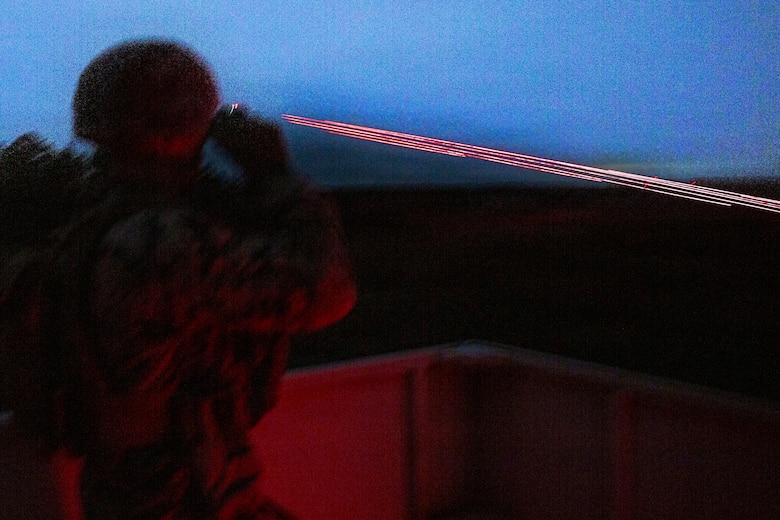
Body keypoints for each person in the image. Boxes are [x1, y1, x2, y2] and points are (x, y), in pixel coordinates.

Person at [1, 39, 356, 519]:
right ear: (180, 128)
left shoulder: (92, 229)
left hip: (130, 499)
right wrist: (275, 174)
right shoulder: (156, 243)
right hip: (187, 501)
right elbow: (327, 292)